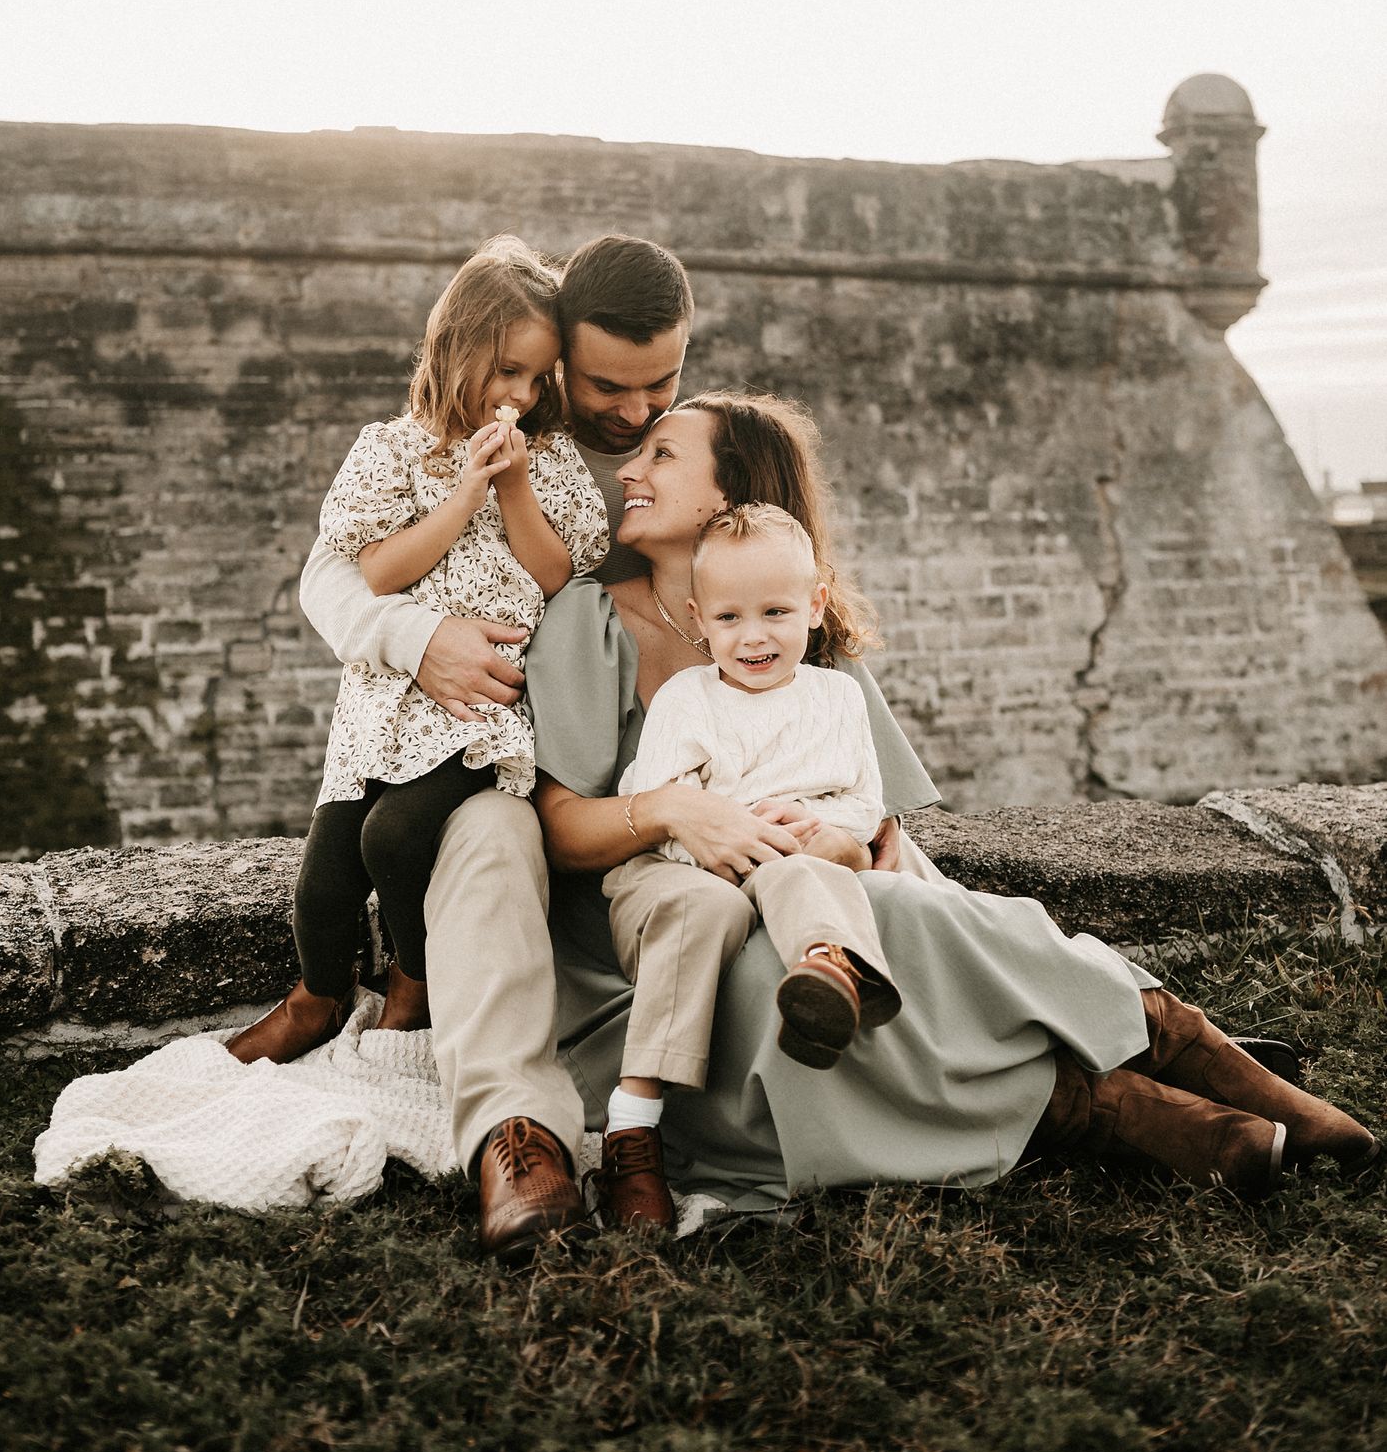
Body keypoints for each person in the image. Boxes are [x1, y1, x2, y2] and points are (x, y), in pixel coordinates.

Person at [528, 392, 1378, 1230]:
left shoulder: (803, 650)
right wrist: (676, 811)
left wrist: (843, 846)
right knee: (795, 972)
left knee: (880, 919)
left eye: (663, 454)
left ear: (734, 496)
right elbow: (560, 830)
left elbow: (882, 833)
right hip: (661, 956)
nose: (628, 469)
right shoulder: (592, 622)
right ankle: (1109, 1101)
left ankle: (1181, 1051)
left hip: (811, 904)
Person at [285, 236, 698, 1258]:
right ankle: (520, 1133)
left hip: (646, 766)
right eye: (607, 385)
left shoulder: (690, 450)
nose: (638, 415)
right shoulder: (441, 443)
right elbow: (336, 575)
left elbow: (774, 579)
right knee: (472, 836)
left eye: (662, 384)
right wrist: (416, 637)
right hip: (509, 747)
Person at [227, 235, 608, 1064]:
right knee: (324, 878)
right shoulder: (391, 451)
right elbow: (377, 571)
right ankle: (316, 997)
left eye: (539, 377)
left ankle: (415, 981)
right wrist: (464, 492)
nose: (522, 394)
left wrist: (511, 486)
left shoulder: (548, 461)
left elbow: (556, 574)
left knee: (395, 840)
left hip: (482, 700)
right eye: (507, 371)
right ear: (455, 347)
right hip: (385, 699)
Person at [599, 500, 904, 1228]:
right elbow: (659, 812)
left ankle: (832, 973)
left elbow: (864, 803)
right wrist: (730, 842)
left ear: (815, 606)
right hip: (677, 869)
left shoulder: (837, 697)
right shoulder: (688, 698)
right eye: (729, 618)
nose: (754, 636)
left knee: (805, 870)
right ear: (699, 620)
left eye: (775, 612)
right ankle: (632, 1128)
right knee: (706, 907)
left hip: (783, 858)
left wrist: (818, 827)